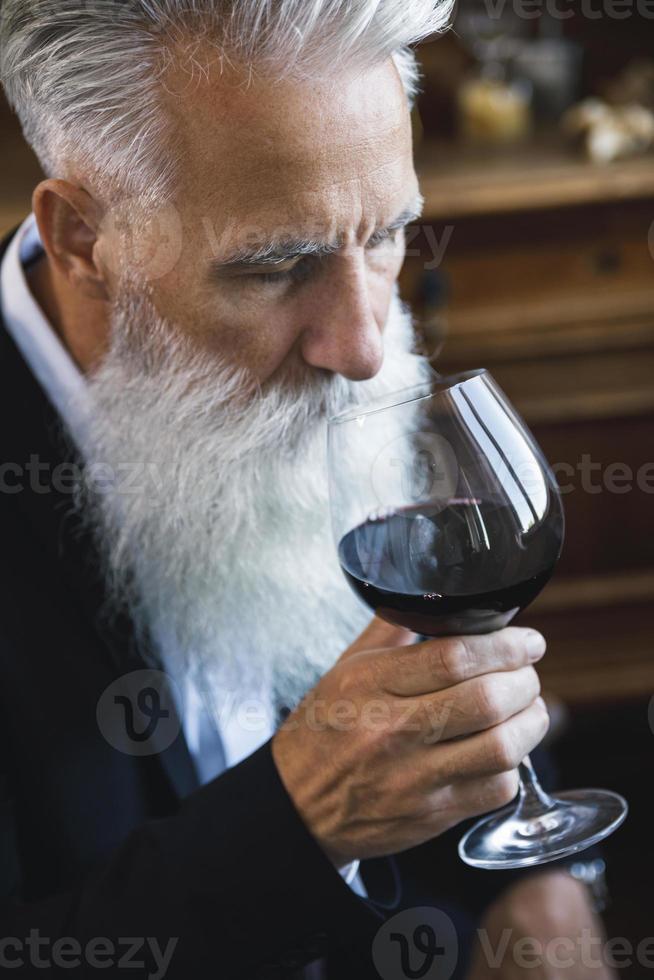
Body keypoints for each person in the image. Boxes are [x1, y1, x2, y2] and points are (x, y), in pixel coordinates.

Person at [0, 2, 614, 977]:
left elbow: (430, 654)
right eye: (277, 263)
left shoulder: (315, 358)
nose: (367, 347)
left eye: (388, 235)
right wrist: (297, 822)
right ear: (82, 237)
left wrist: (535, 885)